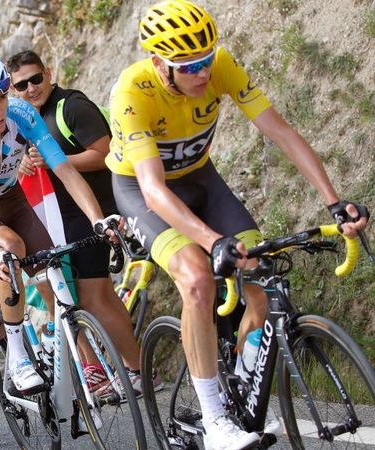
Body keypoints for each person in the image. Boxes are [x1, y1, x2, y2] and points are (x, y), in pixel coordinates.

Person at [107, 1, 369, 448]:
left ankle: (242, 388)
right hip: (143, 190)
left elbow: (280, 132)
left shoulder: (220, 66)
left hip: (201, 178)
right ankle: (215, 422)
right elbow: (153, 191)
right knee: (196, 280)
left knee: (262, 278)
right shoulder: (133, 92)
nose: (203, 73)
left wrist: (334, 201)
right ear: (158, 64)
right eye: (189, 66)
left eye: (207, 59)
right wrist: (213, 242)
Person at [0, 54, 113, 393]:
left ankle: (89, 363)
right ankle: (18, 356)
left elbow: (65, 170)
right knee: (10, 248)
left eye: (3, 97)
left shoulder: (23, 115)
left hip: (11, 198)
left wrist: (99, 220)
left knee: (52, 271)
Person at [7, 50, 145, 399]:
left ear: (49, 73)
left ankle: (139, 371)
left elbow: (107, 153)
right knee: (71, 297)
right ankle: (101, 369)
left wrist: (58, 160)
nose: (31, 88)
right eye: (21, 84)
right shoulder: (26, 119)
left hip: (93, 212)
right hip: (60, 219)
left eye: (36, 79)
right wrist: (25, 163)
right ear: (12, 89)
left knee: (94, 298)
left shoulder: (71, 106)